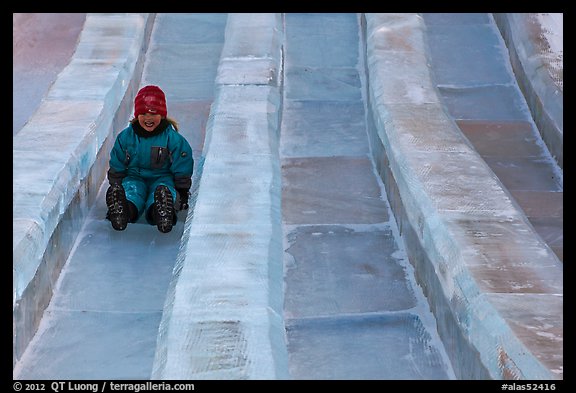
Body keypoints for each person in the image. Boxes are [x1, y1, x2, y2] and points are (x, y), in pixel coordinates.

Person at [105, 85, 193, 233]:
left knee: (163, 193)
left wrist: (182, 190)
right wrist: (116, 184)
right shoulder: (126, 137)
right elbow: (117, 161)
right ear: (137, 115)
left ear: (163, 115)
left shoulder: (172, 139)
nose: (148, 118)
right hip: (135, 177)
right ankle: (123, 210)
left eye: (154, 114)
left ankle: (162, 214)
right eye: (143, 113)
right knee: (131, 191)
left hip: (162, 178)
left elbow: (182, 163)